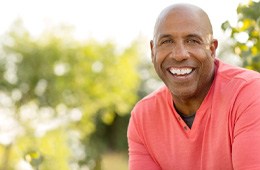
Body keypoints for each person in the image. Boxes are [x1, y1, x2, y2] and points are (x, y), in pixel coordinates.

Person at [127, 3, 260, 170]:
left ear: (212, 50)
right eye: (167, 41)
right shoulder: (143, 117)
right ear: (153, 51)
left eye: (192, 41)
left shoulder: (250, 93)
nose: (180, 54)